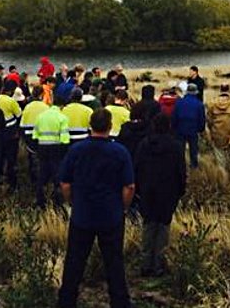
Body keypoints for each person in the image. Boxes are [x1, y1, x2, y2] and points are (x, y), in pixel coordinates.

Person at [58, 108, 135, 308]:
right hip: (111, 216)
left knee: (74, 262)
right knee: (114, 263)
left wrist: (72, 202)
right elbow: (129, 186)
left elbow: (65, 183)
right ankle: (120, 302)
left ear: (90, 126)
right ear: (110, 126)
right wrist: (123, 208)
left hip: (82, 215)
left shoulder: (76, 150)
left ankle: (66, 301)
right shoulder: (119, 152)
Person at [135, 113, 186, 277]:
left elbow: (137, 168)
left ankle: (145, 264)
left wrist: (138, 189)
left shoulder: (144, 145)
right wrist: (180, 191)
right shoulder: (176, 147)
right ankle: (159, 265)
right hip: (168, 191)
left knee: (148, 225)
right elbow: (181, 172)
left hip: (147, 190)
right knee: (163, 227)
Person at [33, 96, 70, 208]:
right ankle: (57, 201)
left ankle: (40, 199)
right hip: (56, 148)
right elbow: (65, 139)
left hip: (42, 147)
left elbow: (35, 135)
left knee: (43, 173)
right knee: (57, 174)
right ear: (62, 106)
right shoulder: (62, 117)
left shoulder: (41, 116)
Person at [0, 80, 22, 191]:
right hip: (11, 132)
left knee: (0, 156)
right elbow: (19, 114)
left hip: (0, 131)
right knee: (11, 158)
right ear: (11, 91)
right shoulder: (11, 101)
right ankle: (12, 182)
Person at [171, 83, 206, 169]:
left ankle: (181, 167)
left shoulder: (179, 102)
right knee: (193, 151)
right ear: (195, 93)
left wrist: (174, 128)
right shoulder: (199, 104)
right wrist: (200, 129)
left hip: (180, 130)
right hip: (193, 130)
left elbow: (174, 117)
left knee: (180, 150)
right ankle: (194, 167)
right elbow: (201, 119)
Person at [20, 85, 49, 185]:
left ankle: (33, 180)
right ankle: (43, 180)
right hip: (42, 136)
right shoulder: (45, 107)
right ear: (42, 95)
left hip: (29, 137)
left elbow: (22, 125)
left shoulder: (28, 107)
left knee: (32, 159)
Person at [206, 84, 230, 152]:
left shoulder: (212, 104)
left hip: (217, 135)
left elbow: (209, 120)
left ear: (220, 90)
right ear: (229, 90)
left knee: (220, 158)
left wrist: (211, 131)